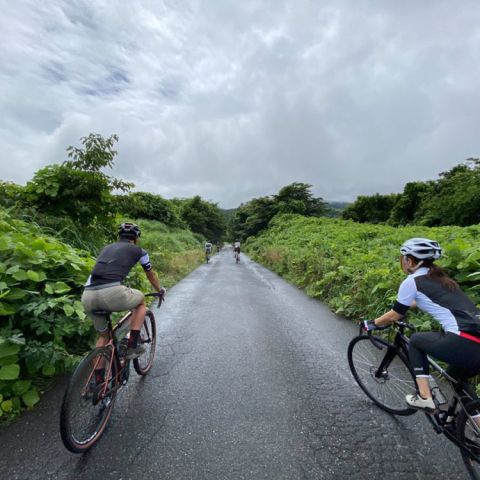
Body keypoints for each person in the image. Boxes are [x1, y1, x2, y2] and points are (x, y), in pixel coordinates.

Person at [363, 237, 480, 411]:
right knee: (456, 381)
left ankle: (425, 397)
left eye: (402, 258)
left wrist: (371, 324)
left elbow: (395, 315)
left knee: (417, 340)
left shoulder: (412, 282)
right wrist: (399, 309)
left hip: (463, 339)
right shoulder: (441, 279)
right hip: (473, 339)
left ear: (409, 261)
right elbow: (423, 302)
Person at [81, 223, 164, 360]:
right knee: (141, 300)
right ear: (136, 238)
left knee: (104, 337)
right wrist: (159, 290)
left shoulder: (106, 248)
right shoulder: (140, 251)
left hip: (87, 295)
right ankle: (132, 346)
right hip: (111, 292)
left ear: (119, 237)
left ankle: (99, 378)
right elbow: (151, 275)